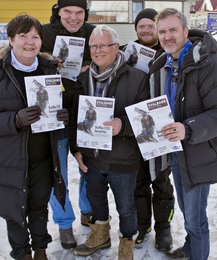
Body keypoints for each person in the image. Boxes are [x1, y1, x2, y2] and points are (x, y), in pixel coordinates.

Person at [0, 14, 68, 260]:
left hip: (43, 157)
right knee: (15, 210)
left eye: (35, 36)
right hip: (8, 159)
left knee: (39, 206)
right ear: (11, 39)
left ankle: (41, 250)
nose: (30, 42)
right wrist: (14, 120)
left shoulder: (48, 68)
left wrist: (61, 114)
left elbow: (53, 108)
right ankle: (22, 254)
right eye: (23, 36)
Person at [150, 8, 217, 260]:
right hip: (177, 151)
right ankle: (189, 249)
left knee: (196, 219)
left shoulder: (210, 64)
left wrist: (187, 129)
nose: (168, 36)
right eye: (162, 31)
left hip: (201, 153)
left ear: (186, 31)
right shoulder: (164, 64)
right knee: (187, 211)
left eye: (173, 30)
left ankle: (196, 252)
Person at [70, 25, 149, 260]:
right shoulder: (83, 78)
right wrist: (76, 149)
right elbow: (75, 116)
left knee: (126, 207)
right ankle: (101, 236)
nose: (98, 50)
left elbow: (148, 120)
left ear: (116, 47)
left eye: (103, 45)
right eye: (94, 46)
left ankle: (126, 243)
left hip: (122, 159)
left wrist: (122, 125)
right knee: (96, 202)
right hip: (92, 157)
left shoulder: (137, 78)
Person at [40, 0, 95, 249]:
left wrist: (91, 67)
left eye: (79, 12)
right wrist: (47, 62)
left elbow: (112, 57)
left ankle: (88, 210)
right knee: (57, 172)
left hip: (86, 113)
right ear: (58, 11)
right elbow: (25, 59)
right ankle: (64, 223)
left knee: (90, 168)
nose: (73, 17)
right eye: (67, 11)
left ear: (86, 13)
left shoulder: (94, 33)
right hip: (56, 116)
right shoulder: (43, 33)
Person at [126, 7, 175, 251]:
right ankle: (142, 224)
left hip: (161, 126)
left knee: (161, 179)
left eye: (150, 26)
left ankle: (163, 228)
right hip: (134, 127)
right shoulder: (127, 53)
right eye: (141, 26)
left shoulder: (169, 52)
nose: (146, 30)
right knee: (138, 180)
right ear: (136, 29)